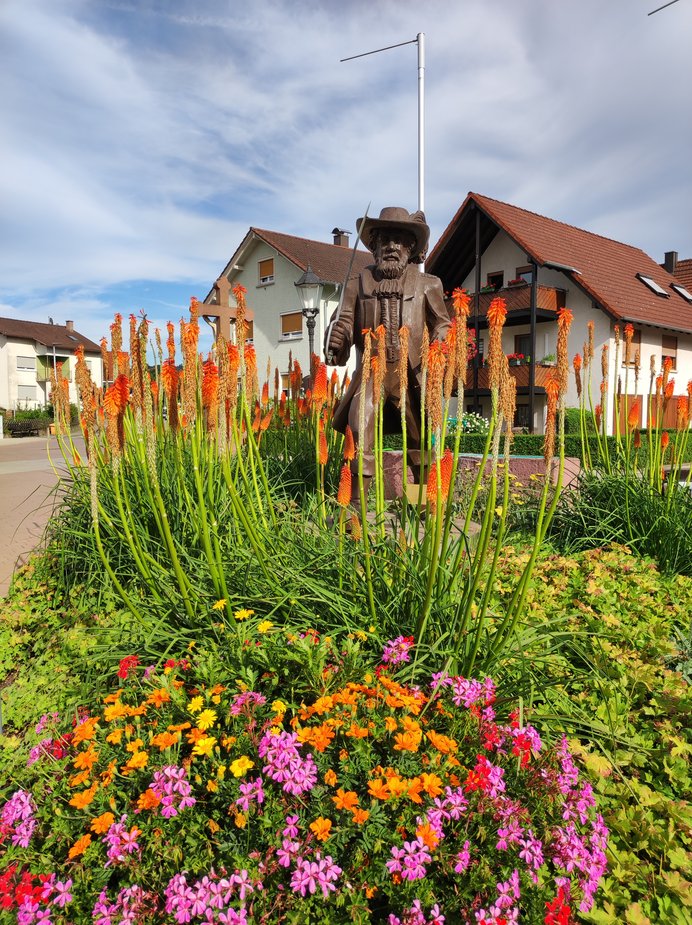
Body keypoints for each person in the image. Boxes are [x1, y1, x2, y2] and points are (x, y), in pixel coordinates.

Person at [325, 206, 450, 502]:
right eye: (385, 240)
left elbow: (442, 322)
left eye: (399, 240)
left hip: (412, 374)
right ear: (375, 246)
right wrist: (337, 336)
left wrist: (440, 345)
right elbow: (343, 319)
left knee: (420, 440)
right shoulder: (358, 282)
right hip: (372, 372)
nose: (392, 246)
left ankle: (425, 503)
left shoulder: (428, 284)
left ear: (410, 247)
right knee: (360, 428)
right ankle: (355, 505)